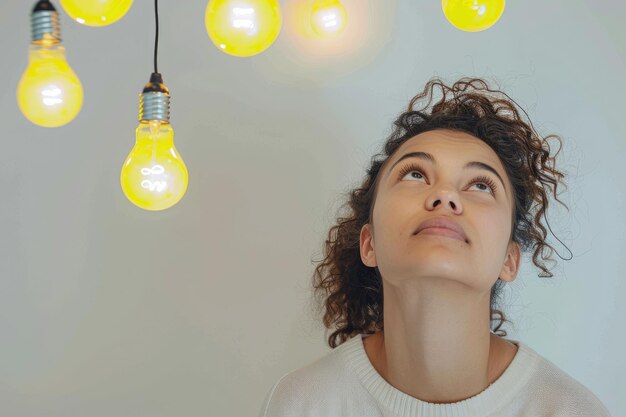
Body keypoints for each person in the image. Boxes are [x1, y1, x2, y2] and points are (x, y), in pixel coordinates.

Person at [258, 77, 613, 417]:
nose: (445, 195)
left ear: (509, 259)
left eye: (480, 185)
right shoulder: (303, 405)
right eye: (415, 174)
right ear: (369, 244)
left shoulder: (568, 411)